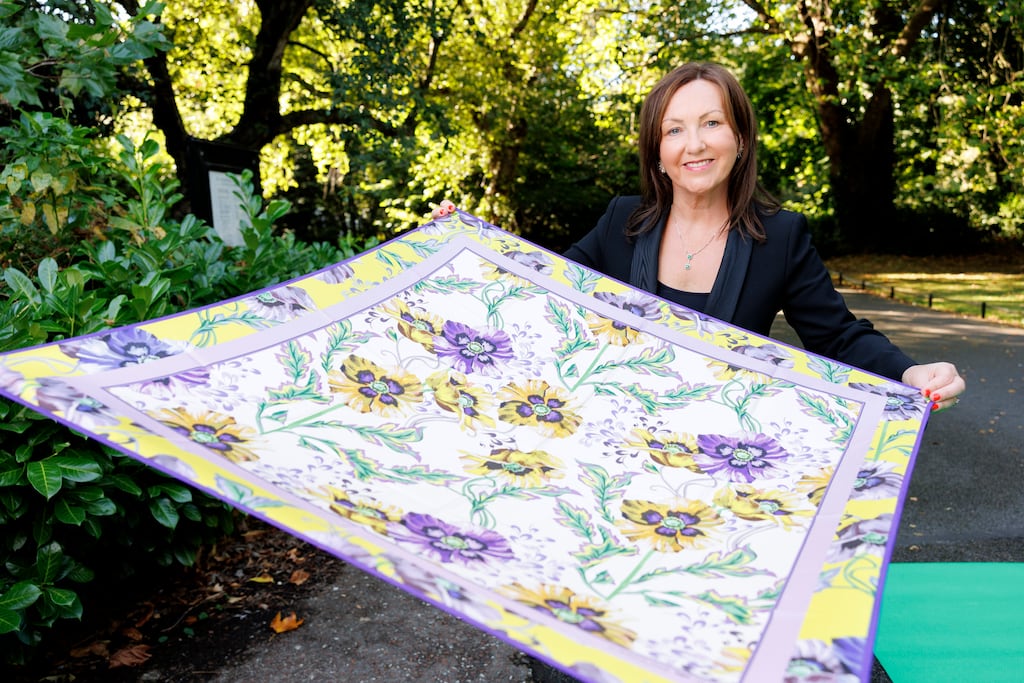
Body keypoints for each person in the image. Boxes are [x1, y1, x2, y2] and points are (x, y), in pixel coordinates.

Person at [564, 62, 965, 410]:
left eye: (712, 123)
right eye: (674, 130)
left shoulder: (780, 236)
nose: (695, 143)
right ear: (657, 152)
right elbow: (548, 292)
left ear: (740, 139)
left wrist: (910, 372)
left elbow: (837, 336)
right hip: (615, 434)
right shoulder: (621, 219)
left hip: (720, 449)